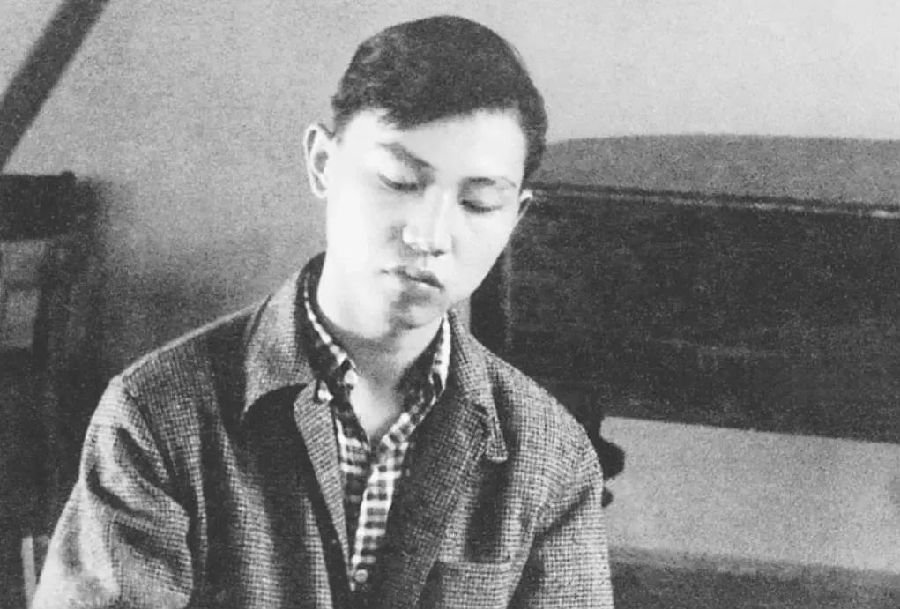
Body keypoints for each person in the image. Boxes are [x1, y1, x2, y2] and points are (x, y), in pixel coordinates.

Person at [34, 15, 614, 608]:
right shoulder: (156, 413)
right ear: (322, 163)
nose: (431, 234)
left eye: (479, 203)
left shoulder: (551, 456)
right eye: (399, 181)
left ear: (516, 217)